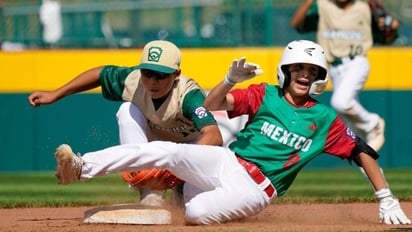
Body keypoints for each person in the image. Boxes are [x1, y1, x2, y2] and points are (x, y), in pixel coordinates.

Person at [51, 40, 410, 225]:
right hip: (227, 163)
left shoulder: (326, 119)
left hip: (256, 190)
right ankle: (80, 167)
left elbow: (362, 149)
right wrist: (227, 81)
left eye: (312, 71)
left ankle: (174, 200)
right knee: (172, 153)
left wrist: (386, 198)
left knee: (193, 215)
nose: (304, 75)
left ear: (319, 79)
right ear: (285, 71)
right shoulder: (263, 94)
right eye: (298, 68)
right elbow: (213, 104)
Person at [28, 40, 223, 207]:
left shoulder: (189, 95)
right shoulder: (134, 80)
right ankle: (146, 191)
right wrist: (56, 94)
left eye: (161, 75)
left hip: (191, 146)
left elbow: (214, 136)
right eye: (147, 72)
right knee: (127, 111)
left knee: (194, 207)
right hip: (152, 141)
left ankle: (179, 194)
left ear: (177, 74)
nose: (153, 81)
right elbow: (100, 73)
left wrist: (178, 163)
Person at [290, 0, 398, 152]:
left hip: (356, 61)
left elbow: (386, 36)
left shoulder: (365, 7)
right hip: (334, 68)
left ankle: (373, 123)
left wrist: (392, 27)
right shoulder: (322, 6)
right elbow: (296, 24)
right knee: (354, 132)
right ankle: (371, 169)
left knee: (341, 102)